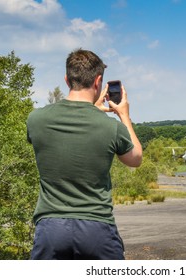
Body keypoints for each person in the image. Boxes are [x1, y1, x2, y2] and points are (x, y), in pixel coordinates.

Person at [27, 49, 142, 260]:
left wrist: (91, 110)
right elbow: (135, 159)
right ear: (98, 81)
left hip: (51, 228)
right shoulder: (111, 128)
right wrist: (124, 115)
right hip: (97, 227)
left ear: (66, 79)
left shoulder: (35, 120)